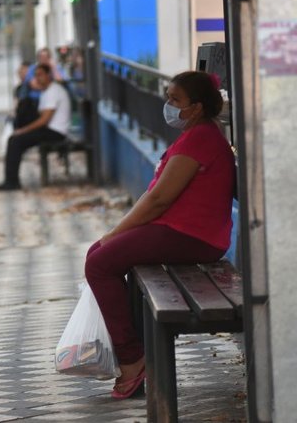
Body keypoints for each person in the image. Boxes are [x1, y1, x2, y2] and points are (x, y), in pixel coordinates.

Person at [84, 71, 234, 399]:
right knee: (98, 254)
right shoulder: (201, 132)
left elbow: (158, 200)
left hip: (192, 235)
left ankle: (133, 359)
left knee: (99, 263)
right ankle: (134, 349)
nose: (167, 105)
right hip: (179, 230)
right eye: (167, 97)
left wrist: (116, 232)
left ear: (195, 108)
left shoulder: (201, 138)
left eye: (174, 100)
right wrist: (113, 235)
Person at [0, 63, 71, 191]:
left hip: (55, 132)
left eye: (41, 75)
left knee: (15, 141)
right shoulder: (45, 91)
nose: (38, 78)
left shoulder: (54, 91)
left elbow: (44, 120)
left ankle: (12, 182)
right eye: (36, 76)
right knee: (14, 139)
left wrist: (23, 131)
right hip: (48, 130)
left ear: (49, 75)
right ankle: (11, 180)